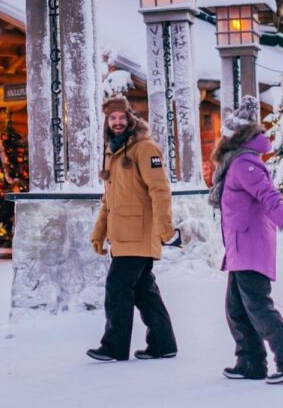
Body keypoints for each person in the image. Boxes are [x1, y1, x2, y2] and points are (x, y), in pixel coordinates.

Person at [208, 96, 283, 385]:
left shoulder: (245, 164)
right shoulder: (236, 162)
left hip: (250, 247)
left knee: (258, 307)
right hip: (238, 247)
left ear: (237, 135)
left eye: (227, 132)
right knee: (236, 308)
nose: (222, 136)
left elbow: (270, 198)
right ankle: (250, 362)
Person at [87, 95, 180, 363]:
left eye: (121, 117)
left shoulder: (144, 148)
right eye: (112, 118)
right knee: (143, 290)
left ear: (130, 118)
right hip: (122, 234)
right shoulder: (112, 151)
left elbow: (160, 190)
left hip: (140, 232)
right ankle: (163, 344)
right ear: (107, 121)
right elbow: (110, 199)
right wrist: (99, 232)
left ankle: (114, 347)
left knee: (117, 287)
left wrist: (165, 228)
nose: (117, 122)